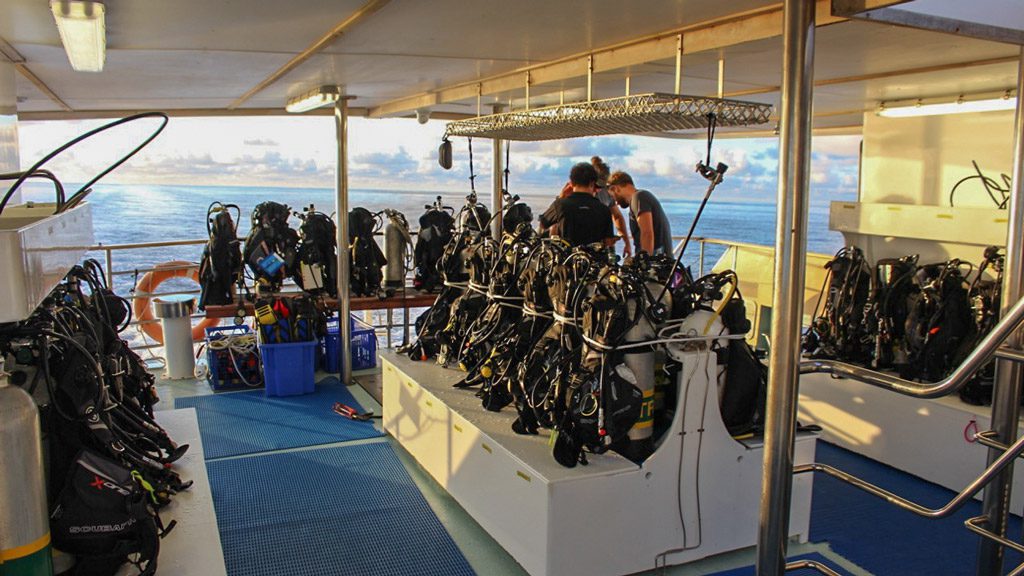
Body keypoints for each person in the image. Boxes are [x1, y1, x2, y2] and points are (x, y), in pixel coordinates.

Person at [540, 163, 615, 248]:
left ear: (571, 183)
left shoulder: (560, 205)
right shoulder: (604, 209)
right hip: (594, 259)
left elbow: (543, 224)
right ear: (592, 184)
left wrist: (561, 197)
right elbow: (609, 242)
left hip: (568, 258)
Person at [606, 171, 673, 256]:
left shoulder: (639, 198)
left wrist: (644, 262)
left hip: (656, 263)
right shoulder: (640, 198)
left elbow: (647, 233)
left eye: (613, 196)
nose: (616, 203)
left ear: (615, 189)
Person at [591, 156, 632, 256]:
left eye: (602, 186)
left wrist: (627, 243)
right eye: (597, 186)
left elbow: (617, 216)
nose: (599, 189)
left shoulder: (606, 193)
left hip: (604, 246)